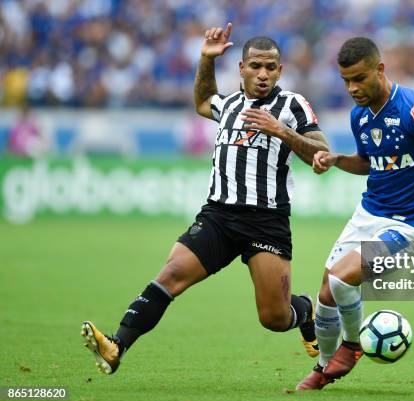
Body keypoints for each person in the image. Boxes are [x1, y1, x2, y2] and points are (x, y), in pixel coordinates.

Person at [81, 23, 330, 375]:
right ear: (241, 68)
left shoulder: (292, 105)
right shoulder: (228, 104)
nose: (262, 74)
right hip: (218, 216)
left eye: (270, 67)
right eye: (255, 66)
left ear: (280, 70)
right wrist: (206, 59)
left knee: (274, 318)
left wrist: (282, 131)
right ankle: (117, 344)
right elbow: (201, 100)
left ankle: (305, 311)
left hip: (266, 221)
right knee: (171, 274)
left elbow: (322, 155)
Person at [296, 37, 414, 390]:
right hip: (369, 212)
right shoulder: (359, 114)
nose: (352, 88)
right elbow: (369, 163)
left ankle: (353, 344)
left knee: (342, 280)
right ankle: (324, 368)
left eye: (359, 78)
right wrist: (337, 159)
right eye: (346, 81)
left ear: (380, 69)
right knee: (325, 296)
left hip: (410, 226)